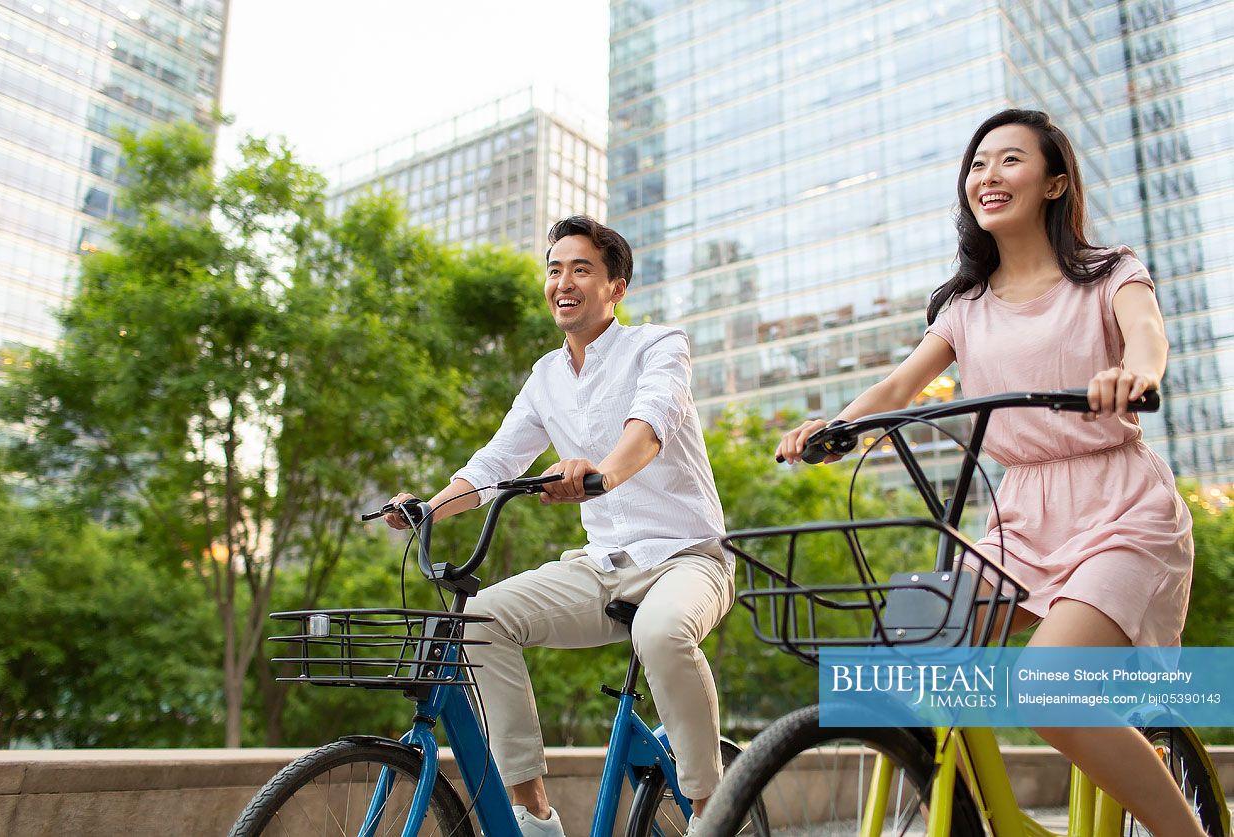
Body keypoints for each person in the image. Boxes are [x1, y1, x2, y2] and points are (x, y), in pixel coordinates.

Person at [777, 109, 1199, 835]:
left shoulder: (1109, 273)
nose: (987, 176)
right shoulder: (963, 306)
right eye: (977, 164)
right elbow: (895, 389)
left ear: (1055, 182)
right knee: (900, 650)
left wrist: (1132, 374)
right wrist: (834, 427)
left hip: (1120, 506)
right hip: (1020, 512)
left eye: (1008, 161)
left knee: (1046, 686)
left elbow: (1146, 335)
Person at [385, 216, 732, 836]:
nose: (562, 281)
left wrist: (598, 474)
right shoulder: (545, 376)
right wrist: (427, 510)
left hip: (689, 559)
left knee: (660, 634)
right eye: (554, 269)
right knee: (479, 621)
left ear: (615, 286)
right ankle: (535, 818)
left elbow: (649, 428)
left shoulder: (659, 345)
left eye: (581, 268)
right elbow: (495, 463)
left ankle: (712, 813)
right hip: (602, 566)